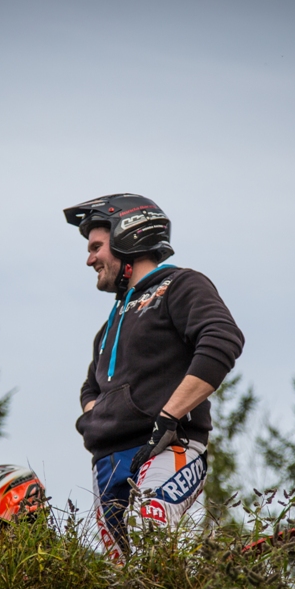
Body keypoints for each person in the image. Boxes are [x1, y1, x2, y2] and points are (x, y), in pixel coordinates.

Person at [64, 194, 244, 561]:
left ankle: (211, 581)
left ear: (127, 236)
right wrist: (97, 416)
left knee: (150, 525)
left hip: (169, 445)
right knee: (119, 573)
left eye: (96, 247)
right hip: (107, 462)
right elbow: (90, 387)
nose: (89, 259)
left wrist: (168, 416)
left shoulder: (180, 285)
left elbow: (222, 339)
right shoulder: (109, 326)